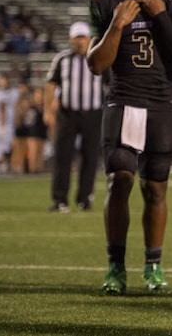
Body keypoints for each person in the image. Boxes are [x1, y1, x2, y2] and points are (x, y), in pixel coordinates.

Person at [86, 0, 172, 294]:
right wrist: (117, 25)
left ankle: (153, 265)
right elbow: (97, 65)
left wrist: (161, 17)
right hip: (123, 103)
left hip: (160, 106)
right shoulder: (106, 3)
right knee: (119, 182)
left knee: (155, 190)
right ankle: (116, 267)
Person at [45, 21, 107, 212]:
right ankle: (60, 199)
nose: (80, 42)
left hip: (93, 114)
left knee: (90, 157)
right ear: (70, 39)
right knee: (63, 157)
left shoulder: (99, 57)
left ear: (90, 39)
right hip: (68, 114)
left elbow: (112, 83)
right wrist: (48, 110)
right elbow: (50, 84)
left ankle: (85, 198)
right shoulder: (62, 59)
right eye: (76, 38)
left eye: (83, 37)